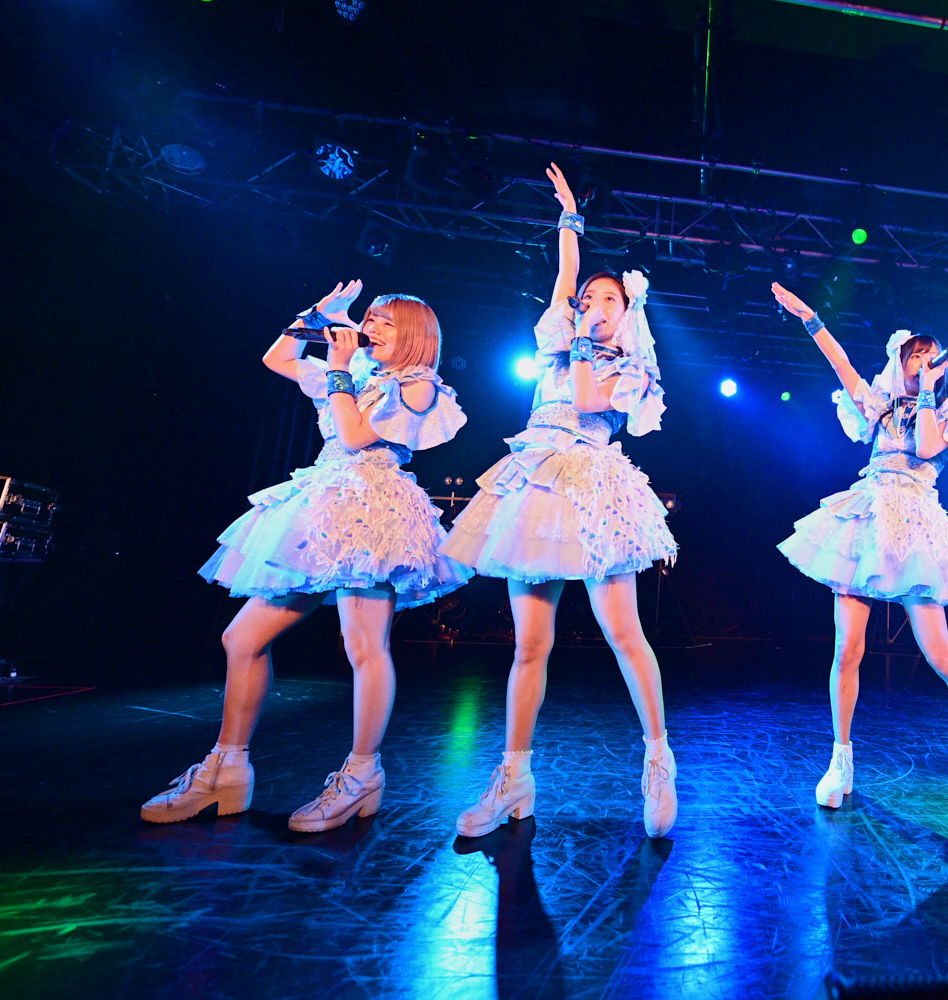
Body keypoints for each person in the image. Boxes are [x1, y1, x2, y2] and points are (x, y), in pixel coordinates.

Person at [142, 282, 471, 831]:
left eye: (385, 322)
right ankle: (228, 767)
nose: (371, 327)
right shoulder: (358, 371)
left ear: (414, 335)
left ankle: (362, 774)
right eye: (369, 318)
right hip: (322, 501)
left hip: (373, 509)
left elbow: (356, 434)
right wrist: (313, 317)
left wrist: (339, 367)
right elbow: (278, 359)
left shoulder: (418, 387)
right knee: (241, 638)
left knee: (363, 645)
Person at [441, 164, 679, 839]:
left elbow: (586, 400)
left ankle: (658, 759)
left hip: (593, 484)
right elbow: (564, 275)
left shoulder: (629, 369)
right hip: (536, 481)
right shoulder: (554, 349)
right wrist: (570, 216)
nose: (594, 303)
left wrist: (582, 342)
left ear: (626, 315)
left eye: (610, 299)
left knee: (623, 634)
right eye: (590, 298)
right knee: (529, 645)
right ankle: (514, 777)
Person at [772, 282, 948, 815]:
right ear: (900, 360)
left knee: (940, 654)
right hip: (866, 517)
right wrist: (811, 317)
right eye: (915, 355)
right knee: (847, 649)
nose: (923, 362)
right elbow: (841, 365)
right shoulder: (879, 405)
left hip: (914, 523)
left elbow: (927, 447)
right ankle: (840, 759)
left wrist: (928, 391)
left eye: (932, 357)